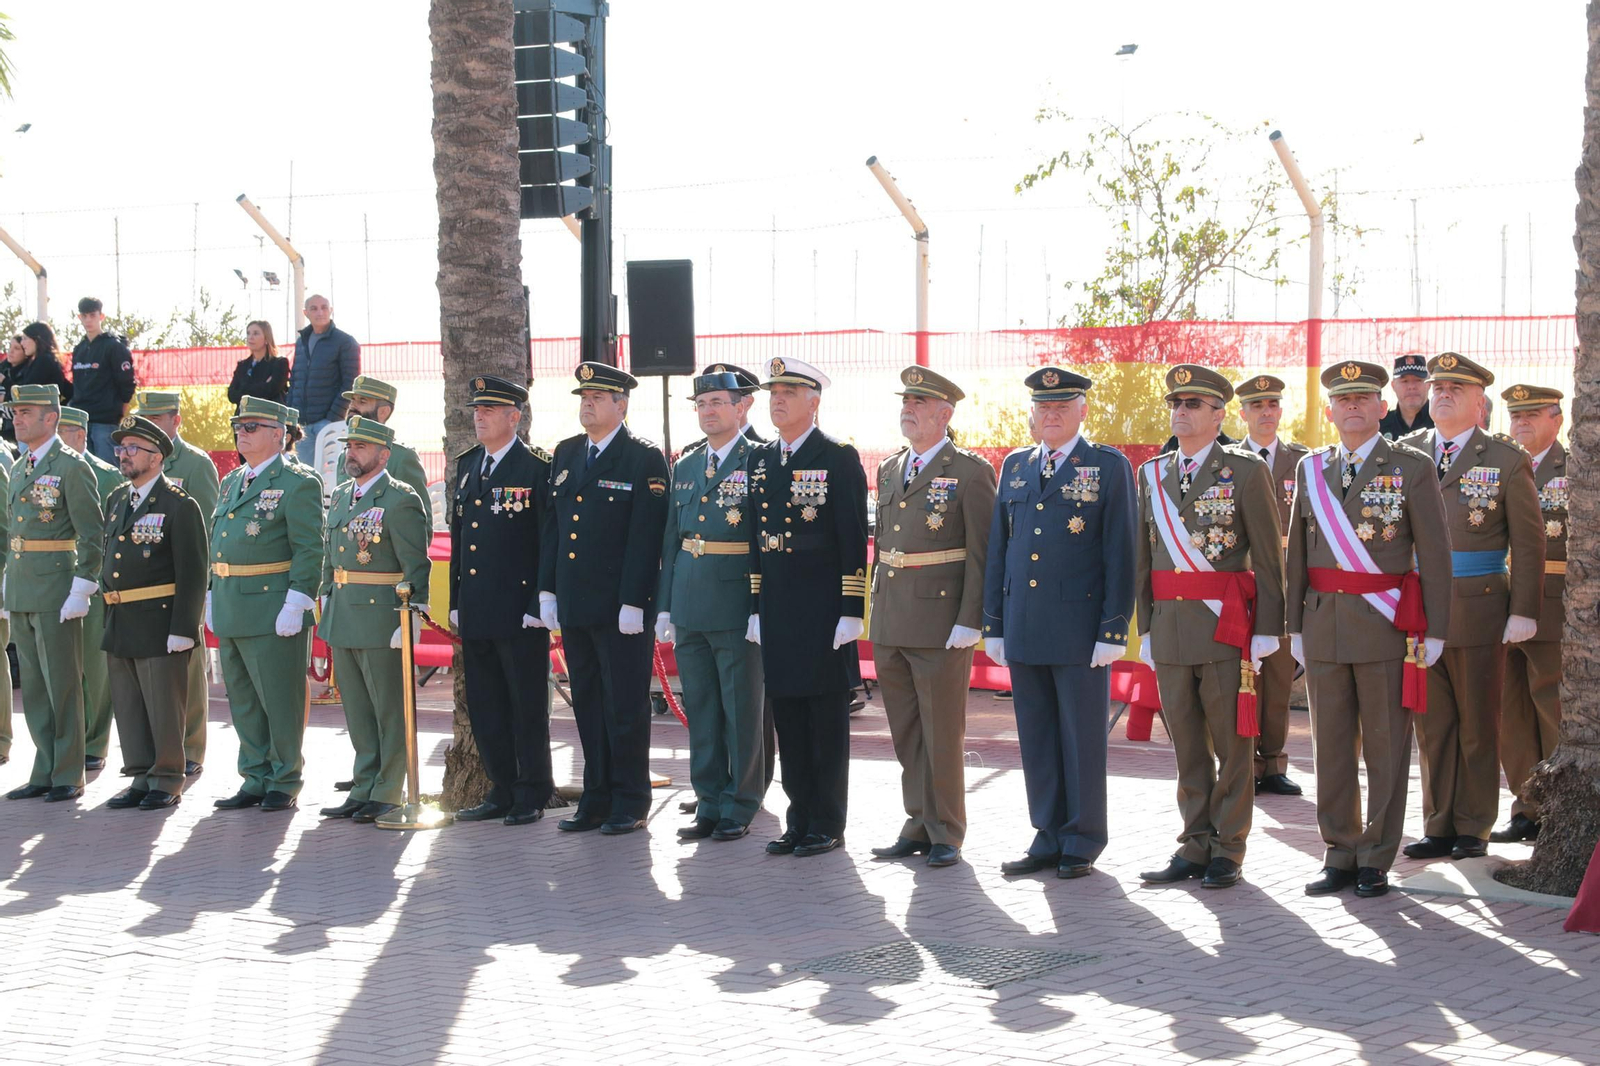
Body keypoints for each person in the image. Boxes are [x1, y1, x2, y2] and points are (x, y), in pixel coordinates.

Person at [1287, 360, 1451, 899]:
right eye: (1343, 399)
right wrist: (1294, 627)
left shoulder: (1411, 466)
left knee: (1385, 747)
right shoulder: (1312, 469)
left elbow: (1435, 553)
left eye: (1364, 398)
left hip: (1386, 627)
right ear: (1330, 411)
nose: (1353, 406)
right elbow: (1297, 557)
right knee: (1330, 747)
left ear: (1383, 408)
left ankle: (1376, 856)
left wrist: (1437, 629)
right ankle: (1339, 851)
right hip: (1324, 625)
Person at [1136, 366, 1284, 890]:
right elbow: (1143, 555)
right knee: (1187, 747)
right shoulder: (1151, 473)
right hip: (1171, 627)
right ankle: (1194, 843)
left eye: (1195, 404)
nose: (1182, 411)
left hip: (1226, 627)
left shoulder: (1244, 471)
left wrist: (1270, 627)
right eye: (1177, 402)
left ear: (1220, 414)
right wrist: (1145, 626)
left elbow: (1268, 556)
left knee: (1232, 742)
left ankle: (1228, 846)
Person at [983, 367, 1135, 879]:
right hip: (1024, 624)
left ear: (1082, 410)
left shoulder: (1107, 466)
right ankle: (1046, 834)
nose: (1050, 415)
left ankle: (1083, 836)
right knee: (1038, 736)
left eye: (1061, 407)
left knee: (1080, 738)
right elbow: (999, 551)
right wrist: (994, 624)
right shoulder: (1015, 466)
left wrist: (1112, 629)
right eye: (1043, 408)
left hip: (1078, 629)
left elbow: (1120, 551)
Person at [1400, 353, 1543, 862]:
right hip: (1416, 610)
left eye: (1456, 388)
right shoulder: (1407, 451)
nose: (1442, 394)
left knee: (1479, 725)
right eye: (1438, 386)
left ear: (1480, 402)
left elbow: (1528, 543)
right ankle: (1438, 822)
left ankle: (1473, 825)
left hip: (1478, 606)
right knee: (1432, 725)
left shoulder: (1505, 459)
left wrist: (1524, 608)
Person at [866, 366, 995, 869]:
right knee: (906, 731)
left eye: (920, 402)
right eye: (907, 400)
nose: (909, 408)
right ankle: (917, 820)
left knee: (942, 732)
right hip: (893, 617)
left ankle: (947, 829)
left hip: (942, 620)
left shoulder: (969, 471)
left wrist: (971, 618)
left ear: (945, 414)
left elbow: (983, 553)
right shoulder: (889, 467)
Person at [746, 357, 869, 858]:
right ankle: (799, 818)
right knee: (789, 720)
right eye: (774, 392)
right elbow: (756, 539)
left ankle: (827, 821)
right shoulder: (761, 461)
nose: (778, 400)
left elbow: (850, 537)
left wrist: (850, 608)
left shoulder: (837, 457)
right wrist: (755, 604)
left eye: (789, 393)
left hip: (822, 611)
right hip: (778, 608)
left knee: (824, 721)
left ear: (813, 402)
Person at [539, 363, 669, 836]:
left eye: (598, 396)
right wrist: (548, 589)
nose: (587, 403)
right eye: (584, 396)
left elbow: (645, 535)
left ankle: (630, 798)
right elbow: (553, 526)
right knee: (588, 702)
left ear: (622, 405)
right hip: (575, 601)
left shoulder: (642, 458)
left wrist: (636, 600)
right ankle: (595, 796)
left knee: (625, 704)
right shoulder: (568, 452)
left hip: (620, 607)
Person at [656, 367, 767, 843]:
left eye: (718, 402)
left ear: (743, 407)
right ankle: (708, 798)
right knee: (700, 706)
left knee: (740, 708)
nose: (708, 411)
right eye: (701, 404)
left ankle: (741, 803)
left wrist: (762, 604)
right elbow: (670, 543)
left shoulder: (760, 461)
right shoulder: (685, 465)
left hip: (735, 598)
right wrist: (664, 606)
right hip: (688, 600)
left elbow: (765, 542)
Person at [209, 396, 325, 813]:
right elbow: (218, 541)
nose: (242, 432)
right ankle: (255, 776)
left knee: (280, 699)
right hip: (231, 604)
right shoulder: (231, 481)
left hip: (272, 606)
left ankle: (284, 777)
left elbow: (310, 548)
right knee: (242, 699)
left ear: (279, 434)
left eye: (253, 426)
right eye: (239, 425)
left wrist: (297, 601)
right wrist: (210, 591)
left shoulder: (299, 481)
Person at [314, 417, 432, 824]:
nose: (352, 453)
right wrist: (326, 595)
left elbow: (416, 564)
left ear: (383, 455)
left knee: (388, 709)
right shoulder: (344, 495)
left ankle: (388, 789)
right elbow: (331, 557)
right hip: (345, 614)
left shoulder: (400, 498)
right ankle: (363, 785)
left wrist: (412, 615)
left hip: (383, 616)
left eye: (362, 447)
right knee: (358, 711)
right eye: (350, 446)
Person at [450, 375, 555, 825]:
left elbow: (546, 541)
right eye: (477, 410)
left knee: (525, 705)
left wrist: (540, 601)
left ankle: (532, 790)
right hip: (477, 607)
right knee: (487, 704)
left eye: (490, 410)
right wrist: (455, 597)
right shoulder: (469, 464)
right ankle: (501, 787)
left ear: (515, 417)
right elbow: (460, 539)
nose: (479, 417)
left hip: (519, 610)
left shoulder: (536, 468)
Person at [1, 384, 103, 802]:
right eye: (15, 411)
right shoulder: (22, 466)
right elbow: (13, 531)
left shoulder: (72, 466)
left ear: (51, 418)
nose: (17, 418)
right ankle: (44, 767)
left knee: (61, 681)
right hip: (25, 584)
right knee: (36, 688)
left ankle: (67, 771)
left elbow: (93, 533)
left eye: (26, 412)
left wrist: (83, 585)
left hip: (58, 585)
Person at [100, 416, 207, 811]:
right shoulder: (116, 500)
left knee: (163, 706)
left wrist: (184, 627)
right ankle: (142, 775)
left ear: (157, 457)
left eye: (133, 449)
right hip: (122, 616)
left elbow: (194, 570)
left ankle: (166, 778)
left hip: (160, 619)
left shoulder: (179, 505)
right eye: (122, 448)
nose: (124, 455)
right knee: (129, 706)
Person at [1494, 384, 1567, 844]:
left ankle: (1562, 809)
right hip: (1500, 601)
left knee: (1552, 708)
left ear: (1557, 419)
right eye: (1515, 416)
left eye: (1533, 415)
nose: (1521, 423)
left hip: (1555, 603)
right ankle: (1526, 808)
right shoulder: (1497, 467)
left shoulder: (1576, 468)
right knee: (1510, 712)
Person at [135, 390, 220, 778]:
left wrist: (202, 586)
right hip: (147, 585)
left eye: (158, 419)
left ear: (176, 421)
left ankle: (191, 746)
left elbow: (202, 531)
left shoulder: (195, 464)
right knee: (156, 674)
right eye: (145, 418)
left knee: (187, 666)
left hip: (182, 579)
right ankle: (161, 747)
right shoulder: (139, 462)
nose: (150, 425)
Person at [1235, 374, 1309, 796]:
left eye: (1273, 405)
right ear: (1242, 413)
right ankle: (1243, 761)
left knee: (1279, 674)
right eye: (1257, 406)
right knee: (1242, 674)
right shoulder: (1226, 460)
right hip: (1241, 579)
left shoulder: (1301, 460)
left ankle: (1275, 762)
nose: (1266, 412)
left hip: (1285, 578)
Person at [56, 406, 126, 773]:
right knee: (61, 666)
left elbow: (114, 533)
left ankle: (95, 742)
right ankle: (65, 740)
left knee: (96, 668)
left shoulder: (107, 476)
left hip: (96, 581)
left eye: (63, 432)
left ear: (81, 435)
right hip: (54, 578)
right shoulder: (44, 470)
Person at [335, 375, 434, 528]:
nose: (353, 407)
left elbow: (420, 524)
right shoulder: (346, 456)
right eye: (352, 401)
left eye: (362, 401)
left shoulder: (402, 457)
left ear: (383, 412)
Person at [284, 294, 360, 467]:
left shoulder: (345, 342)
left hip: (329, 426)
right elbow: (295, 380)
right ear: (306, 313)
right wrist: (292, 413)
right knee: (305, 478)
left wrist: (332, 419)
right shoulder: (301, 342)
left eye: (324, 307)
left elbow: (350, 384)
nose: (320, 312)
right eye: (314, 308)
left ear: (331, 310)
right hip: (302, 426)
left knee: (333, 478)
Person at [68, 298, 137, 462]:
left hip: (105, 423)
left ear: (101, 316)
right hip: (81, 421)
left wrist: (119, 412)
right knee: (83, 470)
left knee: (108, 473)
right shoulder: (79, 349)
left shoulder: (114, 346)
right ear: (79, 318)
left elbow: (127, 383)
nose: (88, 320)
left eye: (92, 315)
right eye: (84, 316)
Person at [2, 323, 73, 443]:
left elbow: (26, 392)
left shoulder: (44, 361)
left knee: (32, 459)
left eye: (25, 339)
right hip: (38, 421)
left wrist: (5, 382)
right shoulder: (39, 361)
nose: (23, 343)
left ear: (37, 339)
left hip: (38, 424)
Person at [227, 320, 291, 406]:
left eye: (256, 333)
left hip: (269, 416)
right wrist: (264, 385)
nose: (250, 337)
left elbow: (272, 390)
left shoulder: (279, 364)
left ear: (266, 338)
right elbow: (232, 395)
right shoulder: (242, 365)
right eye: (248, 333)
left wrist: (243, 389)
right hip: (244, 416)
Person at [1378, 354, 1433, 440]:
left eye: (1418, 380)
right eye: (1404, 381)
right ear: (1393, 385)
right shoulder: (1380, 425)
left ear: (1429, 384)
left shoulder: (1441, 423)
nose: (1411, 386)